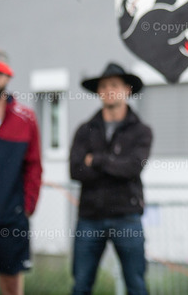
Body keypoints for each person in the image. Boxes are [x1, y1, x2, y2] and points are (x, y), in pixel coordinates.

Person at [70, 63, 151, 295]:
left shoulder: (141, 131)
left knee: (136, 284)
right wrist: (114, 164)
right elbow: (76, 171)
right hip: (90, 216)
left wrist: (95, 160)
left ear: (127, 89)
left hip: (127, 215)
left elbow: (132, 168)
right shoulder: (85, 130)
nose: (108, 90)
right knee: (81, 284)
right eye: (104, 86)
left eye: (114, 85)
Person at [0, 48, 42, 295]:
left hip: (11, 215)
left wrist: (27, 205)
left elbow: (34, 165)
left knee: (12, 285)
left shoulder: (25, 118)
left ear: (8, 76)